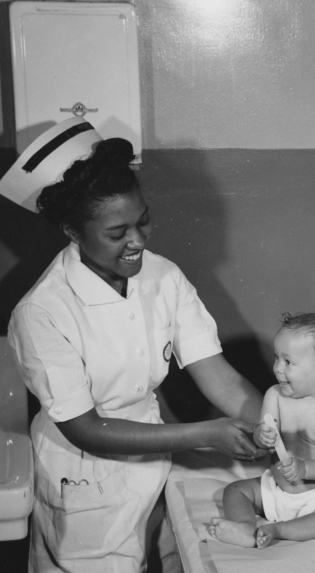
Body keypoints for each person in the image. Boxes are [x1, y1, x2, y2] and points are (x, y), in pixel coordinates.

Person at [6, 129, 269, 573]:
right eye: (117, 233)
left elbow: (217, 375)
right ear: (73, 231)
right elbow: (85, 428)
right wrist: (205, 435)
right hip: (83, 475)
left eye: (143, 220)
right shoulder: (43, 311)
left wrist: (283, 430)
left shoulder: (162, 277)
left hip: (153, 463)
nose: (139, 240)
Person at [208, 313, 315, 548]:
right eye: (277, 358)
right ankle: (245, 527)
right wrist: (261, 436)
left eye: (288, 362)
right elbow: (263, 438)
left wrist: (304, 468)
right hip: (276, 489)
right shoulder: (274, 395)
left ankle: (277, 530)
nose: (277, 368)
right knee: (235, 491)